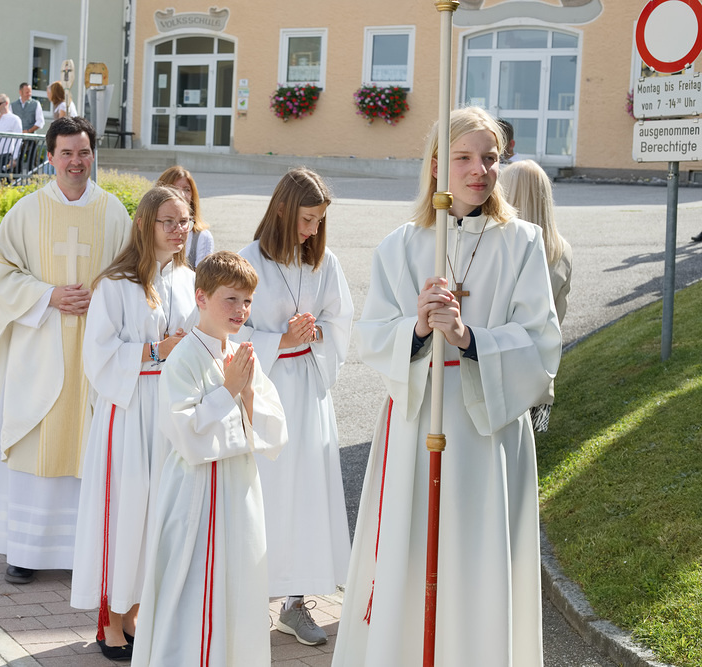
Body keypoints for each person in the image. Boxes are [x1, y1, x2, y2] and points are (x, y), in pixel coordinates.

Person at [332, 106, 562, 667]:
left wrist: (469, 337)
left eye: (490, 158)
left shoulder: (523, 242)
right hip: (418, 423)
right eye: (463, 157)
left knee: (480, 559)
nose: (479, 170)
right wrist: (415, 329)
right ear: (437, 164)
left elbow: (542, 344)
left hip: (488, 429)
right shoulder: (402, 245)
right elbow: (372, 335)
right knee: (413, 555)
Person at [0, 116, 132, 584]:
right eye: (66, 153)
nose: (76, 162)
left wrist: (103, 299)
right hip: (39, 348)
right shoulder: (26, 213)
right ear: (49, 157)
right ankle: (24, 551)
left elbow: (130, 274)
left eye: (83, 153)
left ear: (93, 155)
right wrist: (49, 295)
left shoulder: (114, 214)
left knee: (90, 445)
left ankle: (85, 550)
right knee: (36, 439)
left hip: (95, 352)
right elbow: (2, 277)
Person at [131, 251, 289, 667]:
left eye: (247, 301)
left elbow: (274, 429)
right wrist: (229, 391)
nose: (241, 310)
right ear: (201, 297)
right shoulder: (182, 358)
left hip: (239, 489)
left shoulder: (241, 353)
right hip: (195, 495)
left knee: (238, 580)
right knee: (194, 586)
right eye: (230, 299)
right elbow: (186, 434)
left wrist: (248, 393)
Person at [70, 186, 198, 658]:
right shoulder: (116, 283)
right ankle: (110, 621)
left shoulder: (187, 279)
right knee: (124, 511)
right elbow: (97, 356)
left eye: (185, 221)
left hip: (168, 409)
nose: (179, 230)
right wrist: (156, 350)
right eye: (170, 221)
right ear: (144, 224)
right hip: (128, 410)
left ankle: (136, 612)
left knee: (155, 513)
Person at [235, 167, 353, 646]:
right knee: (264, 492)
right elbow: (227, 327)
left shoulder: (323, 262)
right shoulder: (248, 261)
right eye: (307, 219)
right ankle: (246, 600)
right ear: (282, 210)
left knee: (306, 492)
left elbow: (340, 319)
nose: (313, 229)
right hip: (263, 388)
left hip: (307, 389)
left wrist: (315, 332)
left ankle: (294, 603)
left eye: (319, 221)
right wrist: (280, 339)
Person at [500, 159, 573, 432]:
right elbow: (558, 314)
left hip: (499, 369)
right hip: (539, 371)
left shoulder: (500, 247)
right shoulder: (562, 250)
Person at [156, 166, 214, 269]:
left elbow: (203, 277)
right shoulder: (151, 228)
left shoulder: (201, 237)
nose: (181, 194)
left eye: (186, 189)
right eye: (174, 189)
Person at [0, 94, 23, 179]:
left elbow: (18, 140)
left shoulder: (14, 119)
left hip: (5, 157)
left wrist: (14, 158)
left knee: (4, 183)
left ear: (6, 103)